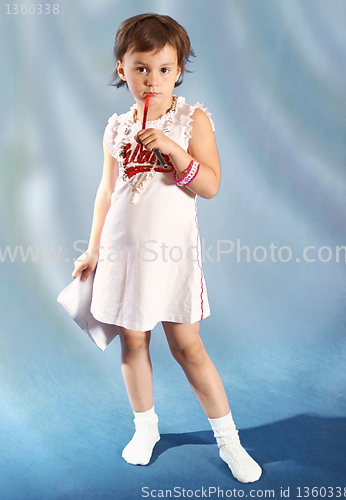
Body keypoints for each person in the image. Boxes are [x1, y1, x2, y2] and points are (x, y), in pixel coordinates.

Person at [71, 13, 262, 484]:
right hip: (121, 254)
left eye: (162, 69)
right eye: (140, 68)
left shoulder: (190, 118)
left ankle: (229, 441)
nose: (151, 79)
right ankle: (146, 428)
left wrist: (176, 152)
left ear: (178, 71)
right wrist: (92, 248)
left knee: (187, 346)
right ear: (122, 70)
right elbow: (106, 191)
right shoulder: (116, 127)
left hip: (173, 257)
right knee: (134, 342)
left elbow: (211, 185)